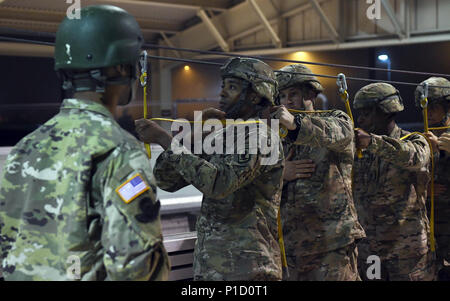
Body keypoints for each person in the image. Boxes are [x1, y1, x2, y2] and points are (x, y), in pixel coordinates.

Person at [0, 5, 169, 281]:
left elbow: (8, 243)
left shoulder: (24, 148)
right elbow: (132, 266)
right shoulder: (119, 152)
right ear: (119, 67)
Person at [135, 57, 284, 280]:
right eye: (223, 86)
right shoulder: (223, 135)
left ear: (255, 95)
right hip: (213, 266)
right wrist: (190, 136)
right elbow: (167, 181)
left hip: (249, 269)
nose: (222, 93)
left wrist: (165, 140)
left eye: (232, 87)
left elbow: (218, 184)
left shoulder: (260, 136)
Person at [273, 64, 365, 280]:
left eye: (293, 94)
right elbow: (258, 177)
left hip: (331, 242)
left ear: (311, 94)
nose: (287, 101)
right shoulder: (277, 135)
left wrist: (295, 124)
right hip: (292, 243)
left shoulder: (336, 119)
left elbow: (338, 134)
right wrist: (280, 173)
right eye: (283, 96)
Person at [353, 82, 434, 281]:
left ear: (387, 112)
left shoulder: (413, 140)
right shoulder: (358, 148)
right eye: (360, 114)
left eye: (367, 113)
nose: (360, 119)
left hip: (407, 250)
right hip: (370, 250)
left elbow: (415, 157)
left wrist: (372, 142)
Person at [415, 77, 450, 280]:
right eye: (424, 107)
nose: (427, 112)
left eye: (433, 107)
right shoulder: (422, 138)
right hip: (431, 228)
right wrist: (423, 188)